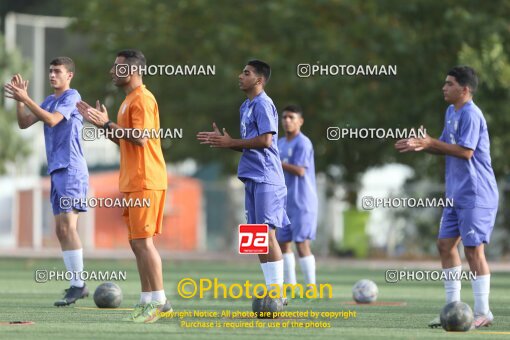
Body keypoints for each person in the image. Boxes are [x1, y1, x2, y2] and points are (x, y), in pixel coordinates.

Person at [395, 66, 498, 329]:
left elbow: (465, 152)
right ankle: (453, 310)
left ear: (464, 89)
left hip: (476, 192)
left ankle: (483, 312)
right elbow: (443, 147)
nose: (444, 87)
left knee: (474, 250)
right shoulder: (451, 112)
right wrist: (422, 144)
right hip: (455, 194)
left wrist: (431, 143)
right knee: (445, 246)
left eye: (449, 84)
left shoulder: (472, 115)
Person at [76, 49, 171, 323]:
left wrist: (107, 123)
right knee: (137, 243)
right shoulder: (128, 100)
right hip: (133, 180)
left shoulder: (142, 98)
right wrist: (106, 126)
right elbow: (126, 140)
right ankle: (146, 299)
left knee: (144, 243)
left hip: (146, 179)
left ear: (131, 71)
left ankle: (159, 300)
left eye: (116, 67)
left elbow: (140, 139)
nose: (111, 71)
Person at [197, 60, 289, 301]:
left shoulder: (263, 104)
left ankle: (277, 294)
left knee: (267, 234)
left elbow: (266, 141)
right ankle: (272, 291)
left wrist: (232, 142)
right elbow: (250, 145)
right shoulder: (244, 107)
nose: (240, 76)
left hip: (268, 176)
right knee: (256, 239)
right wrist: (226, 143)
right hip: (251, 174)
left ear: (258, 80)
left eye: (246, 73)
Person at [4, 57, 89, 306]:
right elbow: (23, 123)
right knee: (61, 229)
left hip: (71, 168)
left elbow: (52, 120)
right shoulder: (50, 100)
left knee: (68, 228)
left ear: (69, 75)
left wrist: (26, 98)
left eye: (57, 72)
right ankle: (77, 284)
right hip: (57, 170)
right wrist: (21, 102)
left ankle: (78, 285)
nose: (52, 75)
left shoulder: (72, 96)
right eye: (50, 71)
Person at [276, 105, 318, 294]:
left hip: (302, 202)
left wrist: (278, 163)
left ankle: (311, 288)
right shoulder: (279, 142)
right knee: (283, 243)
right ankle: (290, 287)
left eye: (291, 117)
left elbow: (300, 170)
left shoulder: (303, 143)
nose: (287, 120)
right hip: (283, 202)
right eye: (284, 117)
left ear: (300, 121)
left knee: (302, 244)